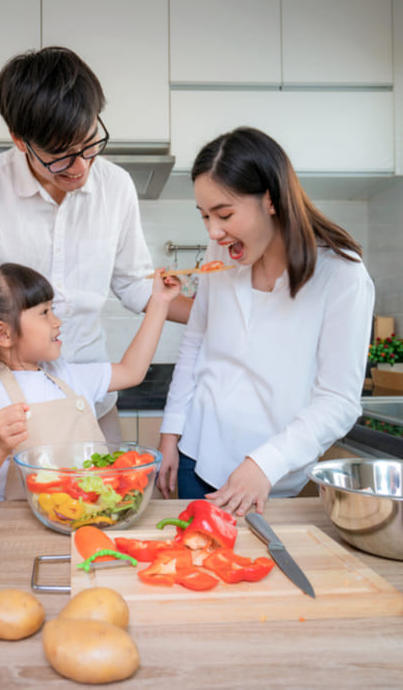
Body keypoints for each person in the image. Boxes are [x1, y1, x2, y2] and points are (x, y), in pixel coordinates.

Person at [0, 46, 192, 470]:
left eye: (89, 144)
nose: (81, 166)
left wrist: (220, 308)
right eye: (61, 155)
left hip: (92, 408)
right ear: (19, 140)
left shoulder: (116, 187)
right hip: (2, 421)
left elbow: (136, 285)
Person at [156, 127, 374, 516]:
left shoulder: (341, 274)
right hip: (197, 450)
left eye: (224, 214)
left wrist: (264, 463)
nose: (213, 232)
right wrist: (171, 432)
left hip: (270, 474)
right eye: (205, 216)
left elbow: (339, 401)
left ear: (271, 200)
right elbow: (195, 343)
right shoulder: (220, 252)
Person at [0, 262, 180, 506]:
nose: (57, 322)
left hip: (82, 522)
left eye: (52, 310)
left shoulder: (65, 375)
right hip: (14, 531)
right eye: (44, 313)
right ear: (3, 334)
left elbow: (131, 372)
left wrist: (159, 303)